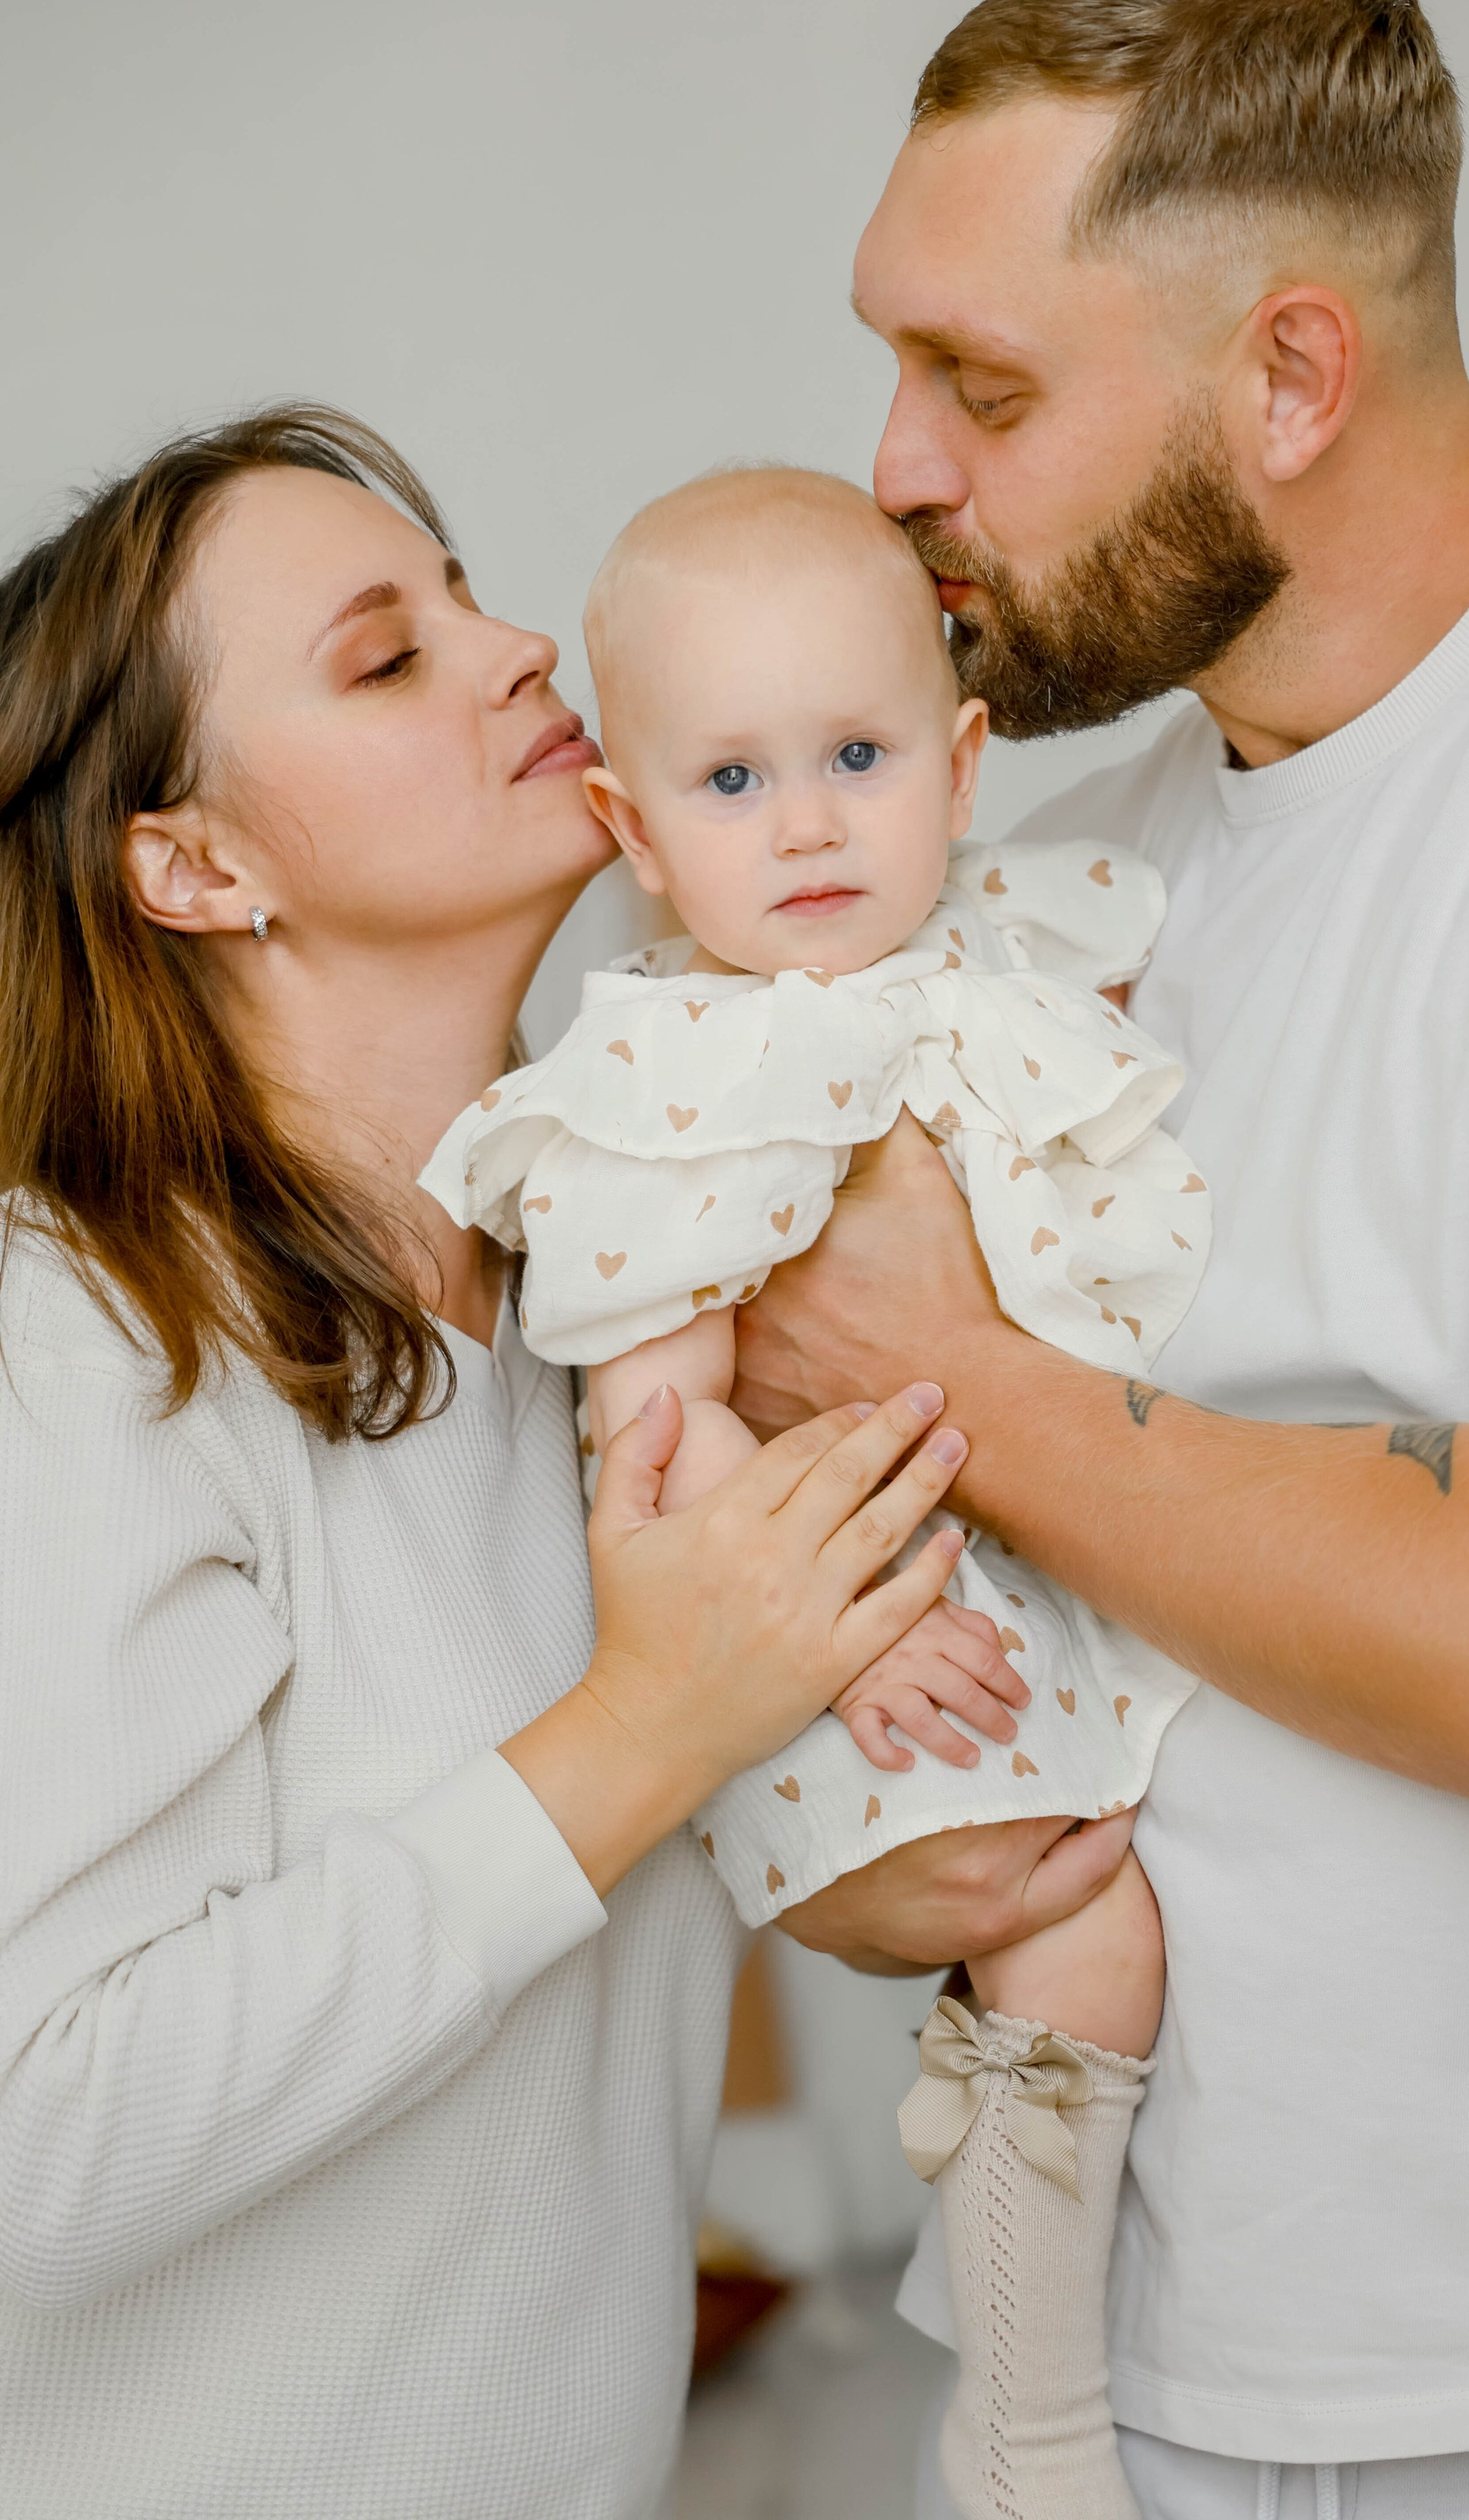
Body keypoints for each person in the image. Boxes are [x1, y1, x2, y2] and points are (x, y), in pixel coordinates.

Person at [734, 0, 1469, 2520]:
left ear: (1291, 373)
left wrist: (953, 1377)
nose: (894, 468)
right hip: (1141, 2379)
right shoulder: (1058, 880)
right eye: (893, 365)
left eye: (982, 385)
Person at [0, 404, 987, 2520]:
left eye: (469, 596)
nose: (518, 647)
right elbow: (35, 2145)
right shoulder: (68, 1341)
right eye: (389, 655)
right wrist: (647, 1727)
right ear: (194, 865)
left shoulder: (620, 1317)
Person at [421, 460, 1213, 2516]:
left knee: (1126, 1920)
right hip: (845, 1629)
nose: (807, 825)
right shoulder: (671, 1082)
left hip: (1050, 1552)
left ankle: (1014, 2196)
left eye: (859, 756)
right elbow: (659, 1454)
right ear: (636, 833)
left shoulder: (1016, 952)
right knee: (1088, 1927)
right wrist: (831, 1648)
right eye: (735, 780)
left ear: (959, 765)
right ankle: (1030, 2420)